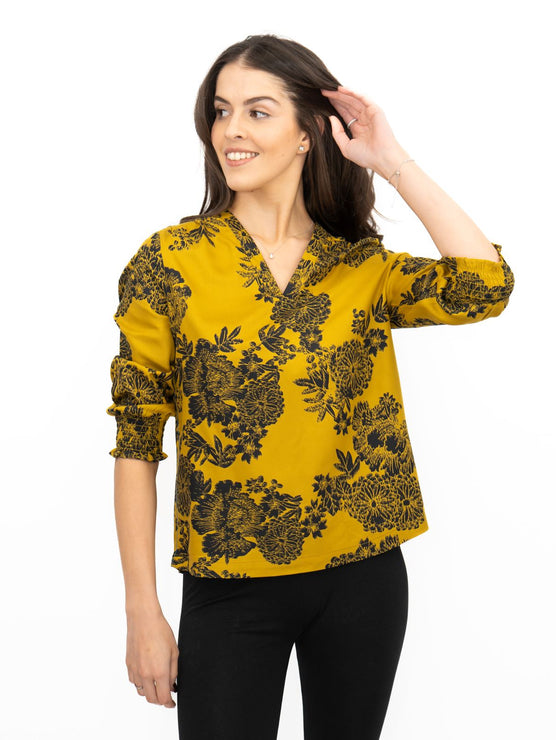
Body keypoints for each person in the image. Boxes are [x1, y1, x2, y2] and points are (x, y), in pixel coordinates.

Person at [107, 34, 514, 740]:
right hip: (229, 586)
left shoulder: (359, 264)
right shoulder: (168, 263)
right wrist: (143, 611)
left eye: (258, 111)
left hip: (363, 577)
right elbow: (136, 441)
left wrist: (391, 160)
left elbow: (485, 285)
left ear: (307, 133)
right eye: (221, 111)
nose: (231, 130)